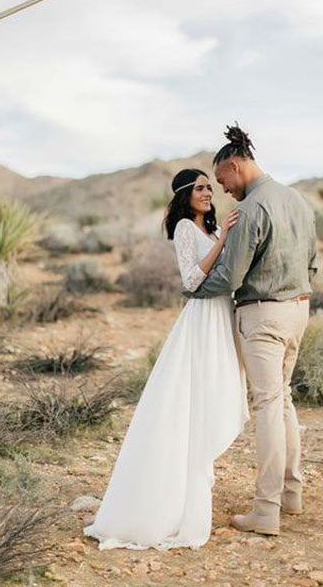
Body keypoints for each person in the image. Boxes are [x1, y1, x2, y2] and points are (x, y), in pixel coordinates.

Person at [83, 168, 249, 550]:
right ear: (185, 195)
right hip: (202, 319)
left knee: (214, 395)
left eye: (210, 187)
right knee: (192, 402)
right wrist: (223, 238)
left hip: (220, 316)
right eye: (201, 188)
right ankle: (168, 502)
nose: (208, 193)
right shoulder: (186, 231)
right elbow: (191, 280)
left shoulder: (205, 229)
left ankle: (191, 485)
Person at [188, 124, 318, 537]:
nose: (223, 190)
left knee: (267, 406)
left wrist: (194, 289)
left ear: (235, 165)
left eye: (223, 180)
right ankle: (291, 493)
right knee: (282, 402)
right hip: (298, 310)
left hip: (263, 317)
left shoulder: (250, 209)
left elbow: (229, 276)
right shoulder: (297, 199)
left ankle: (266, 511)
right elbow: (312, 263)